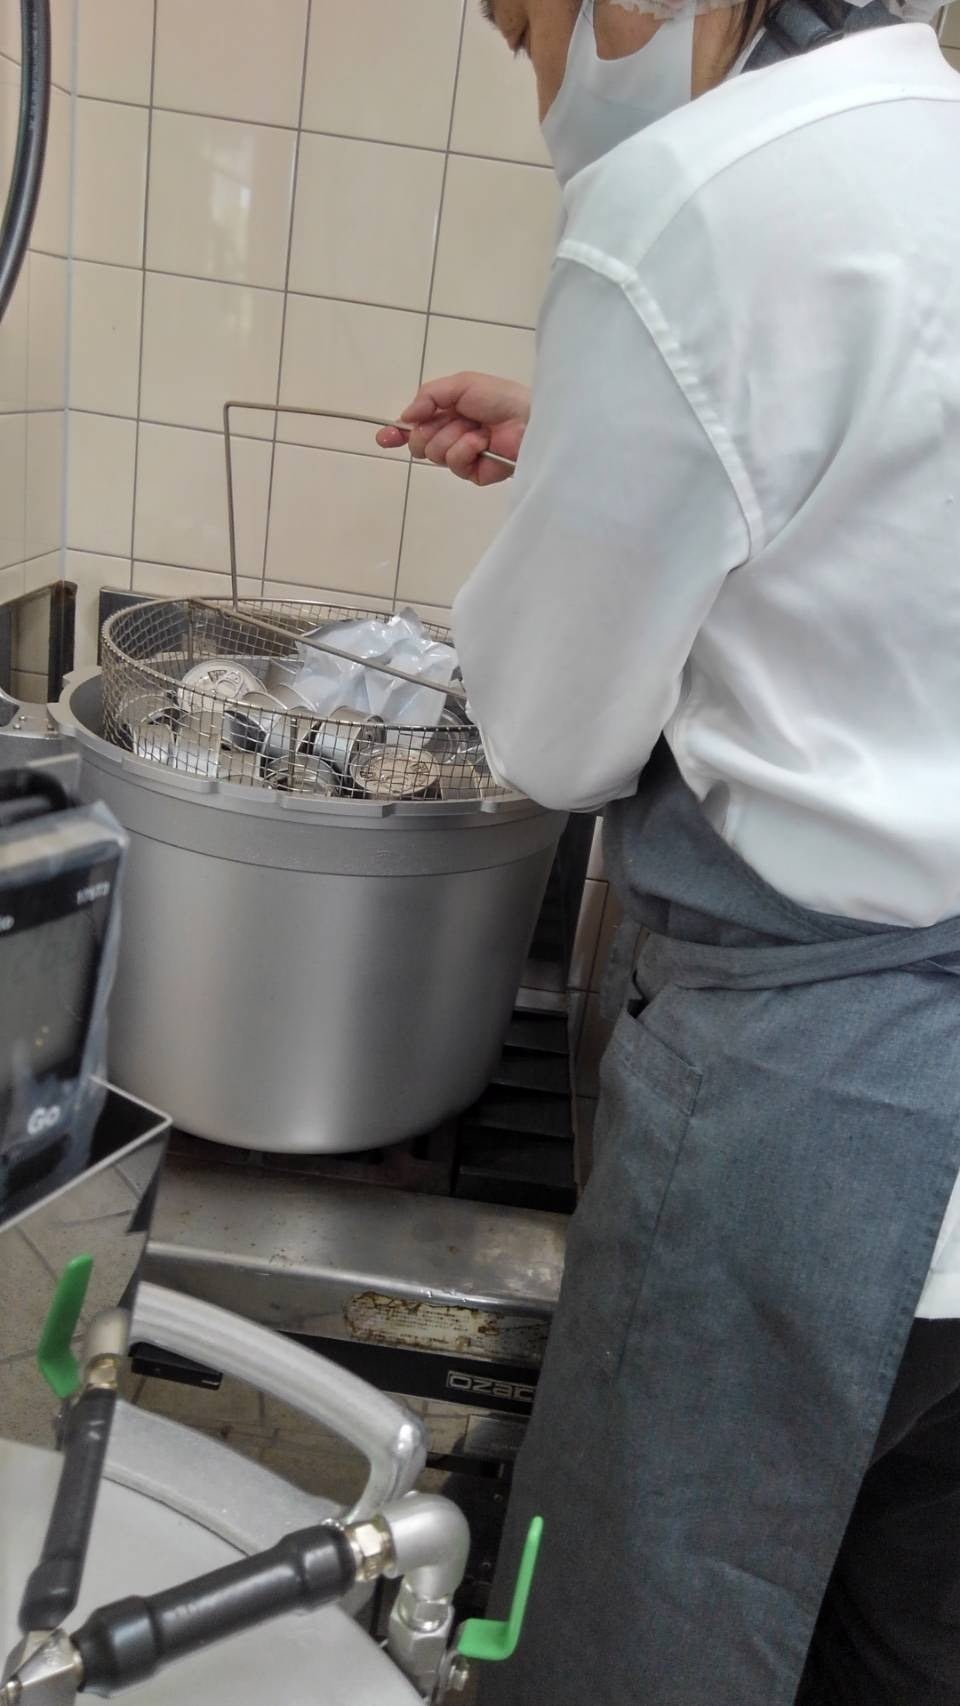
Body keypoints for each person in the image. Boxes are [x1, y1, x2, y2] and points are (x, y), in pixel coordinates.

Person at [378, 1, 960, 1700]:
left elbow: (554, 735)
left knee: (637, 1655)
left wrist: (590, 479)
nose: (538, 71)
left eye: (525, 28)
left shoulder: (690, 207)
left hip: (814, 1135)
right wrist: (609, 446)